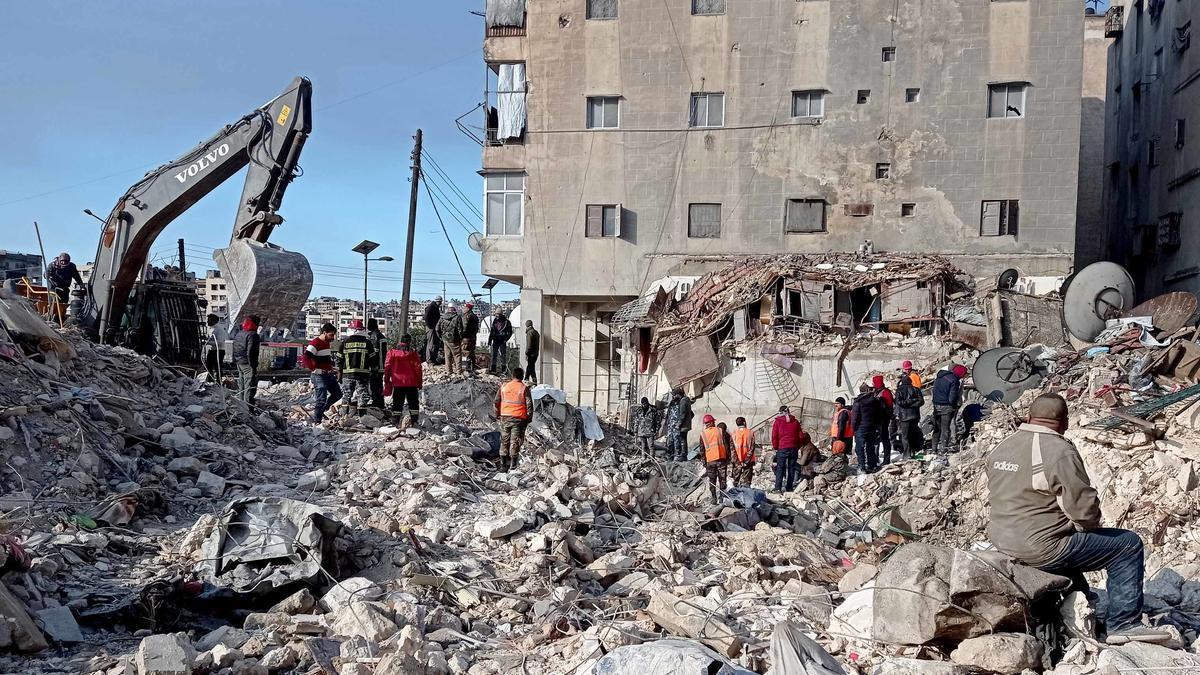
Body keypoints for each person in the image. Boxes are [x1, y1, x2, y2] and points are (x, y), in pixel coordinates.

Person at [987, 394, 1170, 646]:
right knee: (1127, 545)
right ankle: (1124, 624)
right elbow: (1083, 509)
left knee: (1064, 538)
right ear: (1064, 423)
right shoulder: (1059, 450)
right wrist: (1088, 527)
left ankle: (1081, 603)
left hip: (1002, 539)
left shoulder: (1003, 446)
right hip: (1040, 548)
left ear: (1028, 417)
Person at [495, 367, 534, 472]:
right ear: (522, 376)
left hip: (505, 417)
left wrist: (497, 414)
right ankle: (513, 465)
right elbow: (529, 405)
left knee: (504, 440)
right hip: (518, 418)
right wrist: (529, 418)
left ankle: (503, 465)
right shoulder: (524, 388)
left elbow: (496, 401)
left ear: (512, 376)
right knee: (515, 441)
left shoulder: (504, 386)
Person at [303, 322, 342, 423]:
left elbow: (324, 360)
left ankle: (322, 411)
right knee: (321, 398)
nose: (333, 337)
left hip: (328, 374)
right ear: (324, 333)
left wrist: (333, 369)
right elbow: (306, 357)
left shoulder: (326, 343)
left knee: (337, 394)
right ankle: (317, 420)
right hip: (319, 375)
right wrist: (313, 369)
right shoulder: (315, 343)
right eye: (331, 335)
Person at [383, 334, 423, 428]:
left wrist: (387, 381)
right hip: (412, 383)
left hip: (398, 383)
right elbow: (418, 368)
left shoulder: (392, 353)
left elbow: (387, 367)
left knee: (397, 404)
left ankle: (395, 422)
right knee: (413, 404)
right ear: (409, 341)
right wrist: (419, 383)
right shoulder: (413, 353)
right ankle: (414, 422)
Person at [340, 319, 375, 416]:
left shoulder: (344, 343)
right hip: (362, 374)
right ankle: (362, 417)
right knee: (362, 395)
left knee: (346, 395)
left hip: (347, 374)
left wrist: (339, 372)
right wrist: (374, 370)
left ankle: (344, 416)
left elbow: (339, 359)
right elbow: (372, 359)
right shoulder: (367, 343)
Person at [932, 364, 967, 453]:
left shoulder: (939, 377)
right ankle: (943, 449)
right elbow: (952, 397)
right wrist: (955, 406)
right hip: (946, 407)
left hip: (936, 405)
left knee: (937, 428)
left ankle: (934, 449)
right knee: (945, 428)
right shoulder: (954, 380)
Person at [851, 383, 883, 473]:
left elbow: (855, 417)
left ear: (860, 391)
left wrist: (853, 428)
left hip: (861, 427)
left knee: (860, 447)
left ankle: (862, 466)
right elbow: (878, 414)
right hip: (872, 426)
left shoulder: (858, 402)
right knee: (870, 446)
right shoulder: (875, 401)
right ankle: (872, 465)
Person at [771, 405, 804, 492]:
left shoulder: (777, 422)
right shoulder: (795, 422)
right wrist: (797, 446)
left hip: (782, 448)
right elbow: (801, 436)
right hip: (793, 448)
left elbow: (774, 436)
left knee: (780, 468)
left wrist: (775, 447)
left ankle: (778, 488)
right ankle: (789, 488)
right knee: (791, 468)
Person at [232, 315, 261, 406]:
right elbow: (251, 352)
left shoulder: (239, 333)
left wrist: (235, 361)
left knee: (242, 386)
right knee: (250, 386)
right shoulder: (253, 335)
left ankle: (241, 406)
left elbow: (235, 348)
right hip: (248, 363)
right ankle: (248, 409)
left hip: (239, 362)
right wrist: (253, 365)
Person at [894, 371, 925, 457]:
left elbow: (899, 402)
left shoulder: (899, 390)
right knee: (913, 434)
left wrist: (907, 403)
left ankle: (907, 454)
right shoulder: (916, 389)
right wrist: (912, 403)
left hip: (904, 417)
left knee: (905, 436)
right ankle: (915, 450)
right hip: (915, 416)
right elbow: (921, 401)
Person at [700, 414, 729, 504]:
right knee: (722, 479)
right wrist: (728, 458)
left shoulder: (703, 434)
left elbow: (702, 450)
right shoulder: (720, 431)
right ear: (712, 422)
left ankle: (714, 499)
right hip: (721, 459)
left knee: (712, 480)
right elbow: (726, 445)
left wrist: (704, 462)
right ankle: (722, 498)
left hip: (710, 461)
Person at [664, 388, 694, 461]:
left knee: (680, 440)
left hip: (679, 426)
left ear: (678, 395)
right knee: (673, 441)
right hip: (673, 426)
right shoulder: (674, 402)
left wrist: (679, 424)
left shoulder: (683, 401)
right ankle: (673, 455)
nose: (673, 397)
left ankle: (681, 456)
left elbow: (684, 414)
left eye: (674, 395)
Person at [872, 375, 895, 465]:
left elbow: (889, 407)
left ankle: (886, 459)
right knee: (876, 440)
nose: (873, 384)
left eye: (874, 382)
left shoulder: (885, 392)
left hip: (883, 420)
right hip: (876, 420)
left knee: (884, 439)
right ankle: (876, 458)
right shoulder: (877, 392)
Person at [366, 319, 387, 409]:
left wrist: (373, 366)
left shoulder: (373, 337)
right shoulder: (381, 336)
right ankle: (380, 403)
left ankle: (376, 403)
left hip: (376, 367)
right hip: (381, 365)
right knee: (379, 385)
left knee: (374, 385)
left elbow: (374, 354)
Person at [730, 417, 756, 487]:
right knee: (746, 482)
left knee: (735, 482)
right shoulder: (750, 433)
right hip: (748, 462)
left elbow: (732, 450)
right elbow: (752, 448)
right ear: (744, 423)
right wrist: (746, 461)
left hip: (737, 462)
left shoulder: (733, 434)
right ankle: (745, 496)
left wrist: (738, 462)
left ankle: (735, 496)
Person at [438, 305, 463, 375]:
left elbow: (437, 328)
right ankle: (459, 371)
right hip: (454, 340)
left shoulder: (442, 317)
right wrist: (460, 338)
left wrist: (441, 337)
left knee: (447, 355)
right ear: (454, 309)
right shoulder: (457, 317)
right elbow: (460, 329)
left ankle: (449, 371)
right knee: (457, 355)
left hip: (445, 339)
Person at [203, 314, 228, 383]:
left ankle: (219, 382)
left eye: (209, 320)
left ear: (213, 320)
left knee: (218, 368)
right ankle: (210, 381)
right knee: (208, 366)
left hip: (218, 351)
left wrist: (208, 342)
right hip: (212, 350)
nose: (207, 322)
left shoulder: (219, 329)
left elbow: (220, 342)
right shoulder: (212, 329)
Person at [488, 309, 513, 375]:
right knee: (494, 355)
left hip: (502, 340)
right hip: (495, 340)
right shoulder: (495, 321)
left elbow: (510, 332)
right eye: (496, 314)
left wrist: (506, 339)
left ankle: (503, 369)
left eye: (498, 314)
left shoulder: (506, 322)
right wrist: (490, 340)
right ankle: (493, 368)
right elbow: (492, 331)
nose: (497, 315)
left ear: (501, 314)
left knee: (503, 355)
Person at [460, 303, 480, 375]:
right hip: (473, 337)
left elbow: (464, 327)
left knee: (465, 352)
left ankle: (466, 368)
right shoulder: (475, 316)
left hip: (466, 338)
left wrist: (461, 335)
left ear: (468, 309)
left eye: (464, 308)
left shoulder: (466, 316)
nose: (463, 309)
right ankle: (473, 367)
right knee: (472, 352)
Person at [424, 297, 443, 365]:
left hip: (433, 327)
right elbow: (426, 317)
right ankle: (429, 360)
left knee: (435, 343)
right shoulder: (431, 307)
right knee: (431, 344)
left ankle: (433, 359)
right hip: (431, 328)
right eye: (440, 302)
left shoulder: (435, 307)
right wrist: (430, 326)